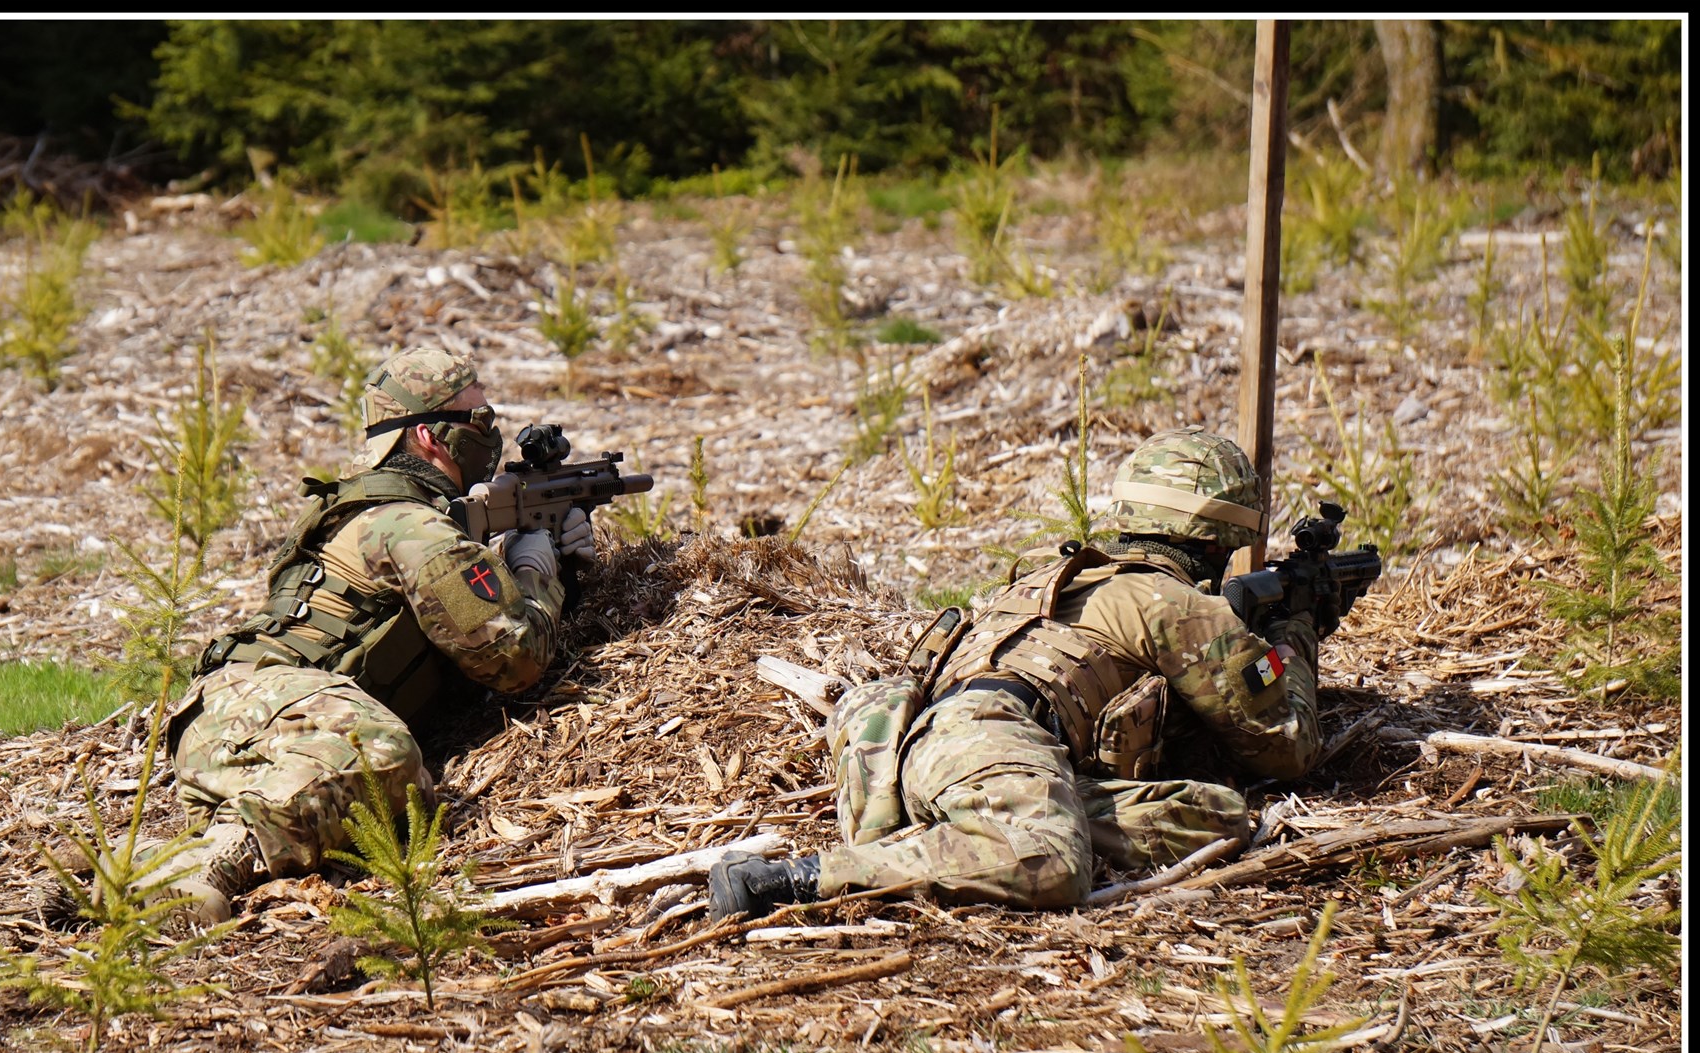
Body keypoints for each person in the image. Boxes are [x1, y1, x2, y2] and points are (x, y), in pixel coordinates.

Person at [709, 428, 1324, 919]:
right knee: (1053, 864)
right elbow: (1286, 750)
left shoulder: (1050, 577)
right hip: (996, 737)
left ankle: (959, 836)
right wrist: (1295, 637)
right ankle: (799, 879)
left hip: (912, 744)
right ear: (1223, 539)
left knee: (1216, 814)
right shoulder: (1179, 606)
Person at [153, 346, 596, 922]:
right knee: (387, 755)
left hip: (239, 713)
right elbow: (512, 658)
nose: (493, 436)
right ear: (429, 438)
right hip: (269, 700)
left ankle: (135, 862)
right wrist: (539, 572)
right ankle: (206, 866)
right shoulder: (411, 526)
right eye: (480, 422)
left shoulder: (386, 513)